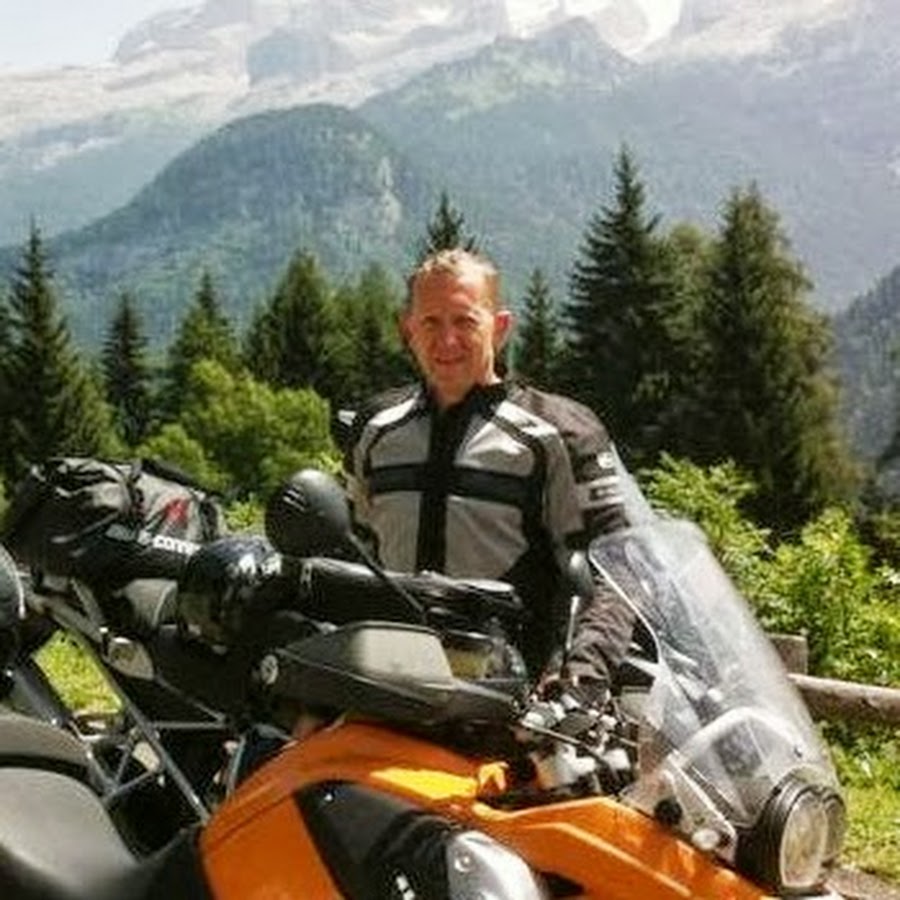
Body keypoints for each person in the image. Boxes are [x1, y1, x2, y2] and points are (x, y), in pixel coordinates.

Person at [344, 248, 635, 718]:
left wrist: (581, 676)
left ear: (500, 327)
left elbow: (618, 569)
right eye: (431, 322)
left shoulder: (561, 434)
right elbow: (351, 552)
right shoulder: (375, 428)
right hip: (389, 693)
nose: (447, 340)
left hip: (518, 708)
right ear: (407, 328)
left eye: (465, 321)